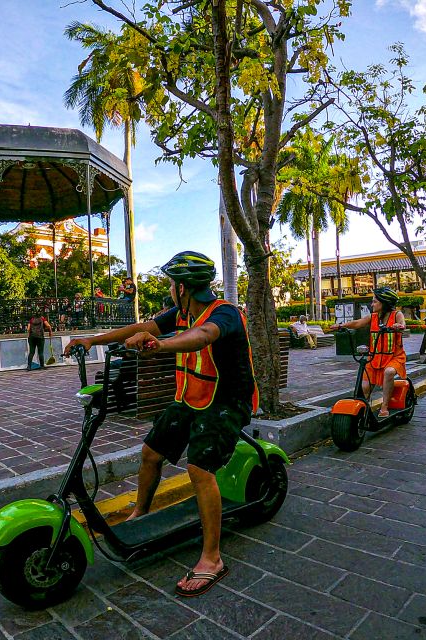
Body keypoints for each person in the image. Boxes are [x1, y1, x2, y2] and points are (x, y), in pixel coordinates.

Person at [64, 250, 258, 598]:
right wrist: (92, 340)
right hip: (192, 399)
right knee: (151, 452)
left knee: (199, 469)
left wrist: (161, 345)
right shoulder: (181, 313)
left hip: (227, 404)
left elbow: (203, 337)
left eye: (171, 283)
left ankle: (212, 558)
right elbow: (142, 327)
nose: (170, 289)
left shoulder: (224, 314)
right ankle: (140, 512)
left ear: (182, 288)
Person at [329, 287, 406, 418]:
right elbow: (358, 323)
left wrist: (399, 326)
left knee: (388, 372)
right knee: (365, 387)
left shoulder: (397, 315)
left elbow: (402, 324)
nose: (372, 304)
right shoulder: (373, 317)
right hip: (374, 357)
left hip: (394, 357)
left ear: (384, 302)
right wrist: (342, 326)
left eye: (375, 302)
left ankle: (385, 406)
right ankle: (364, 411)